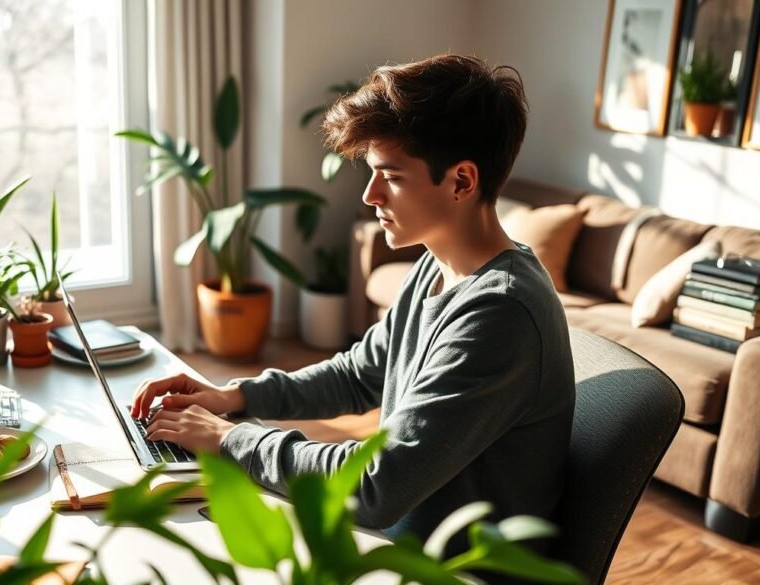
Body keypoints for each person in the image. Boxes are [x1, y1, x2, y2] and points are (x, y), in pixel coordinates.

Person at [131, 54, 575, 557]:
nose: (369, 194)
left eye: (392, 176)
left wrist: (232, 439)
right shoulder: (439, 264)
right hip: (393, 539)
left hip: (447, 568)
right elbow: (360, 374)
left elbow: (373, 487)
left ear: (461, 182)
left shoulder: (500, 313)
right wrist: (233, 398)